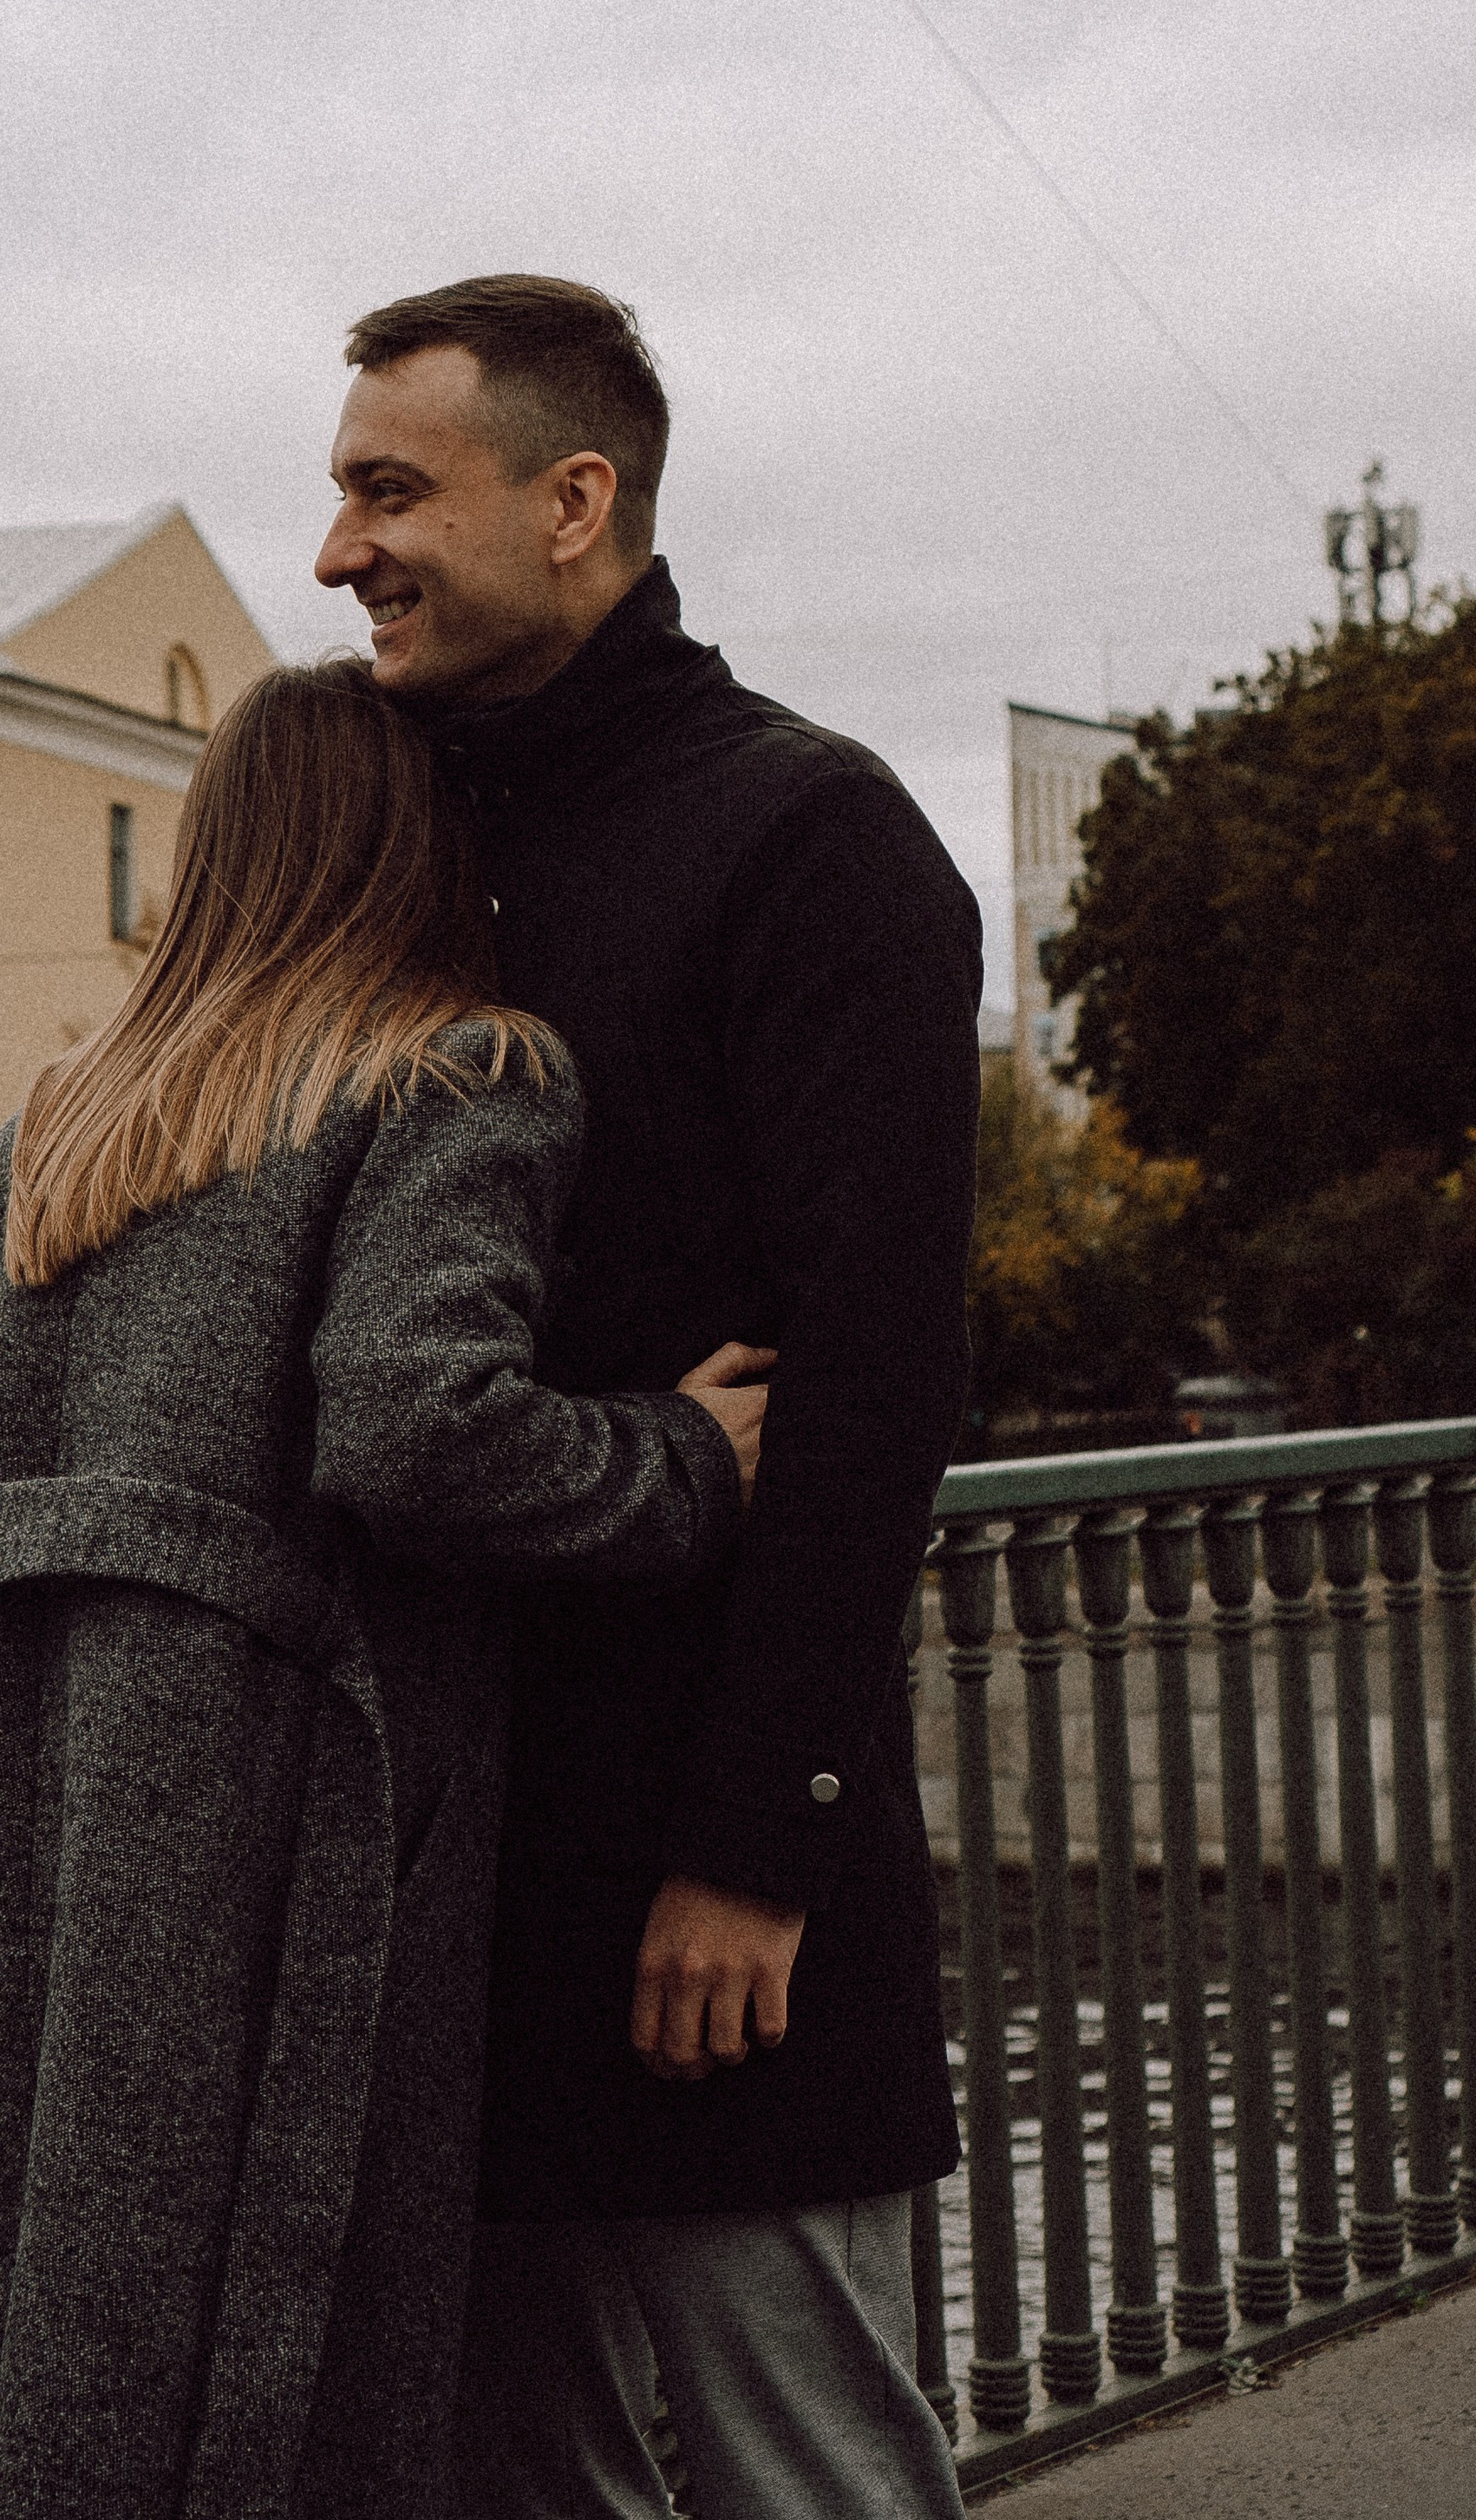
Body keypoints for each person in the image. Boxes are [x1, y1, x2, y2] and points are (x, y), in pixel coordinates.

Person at [0, 655, 766, 2520]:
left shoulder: (49, 1126)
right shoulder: (461, 1071)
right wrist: (681, 1457)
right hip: (248, 1822)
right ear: (421, 837)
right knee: (238, 2343)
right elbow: (413, 1432)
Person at [311, 275, 981, 2520]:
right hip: (445, 1882)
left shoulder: (814, 836)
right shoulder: (386, 837)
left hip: (715, 1896)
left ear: (574, 501)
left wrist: (754, 1852)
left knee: (809, 2487)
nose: (338, 551)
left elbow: (876, 1388)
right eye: (342, 495)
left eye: (390, 491)